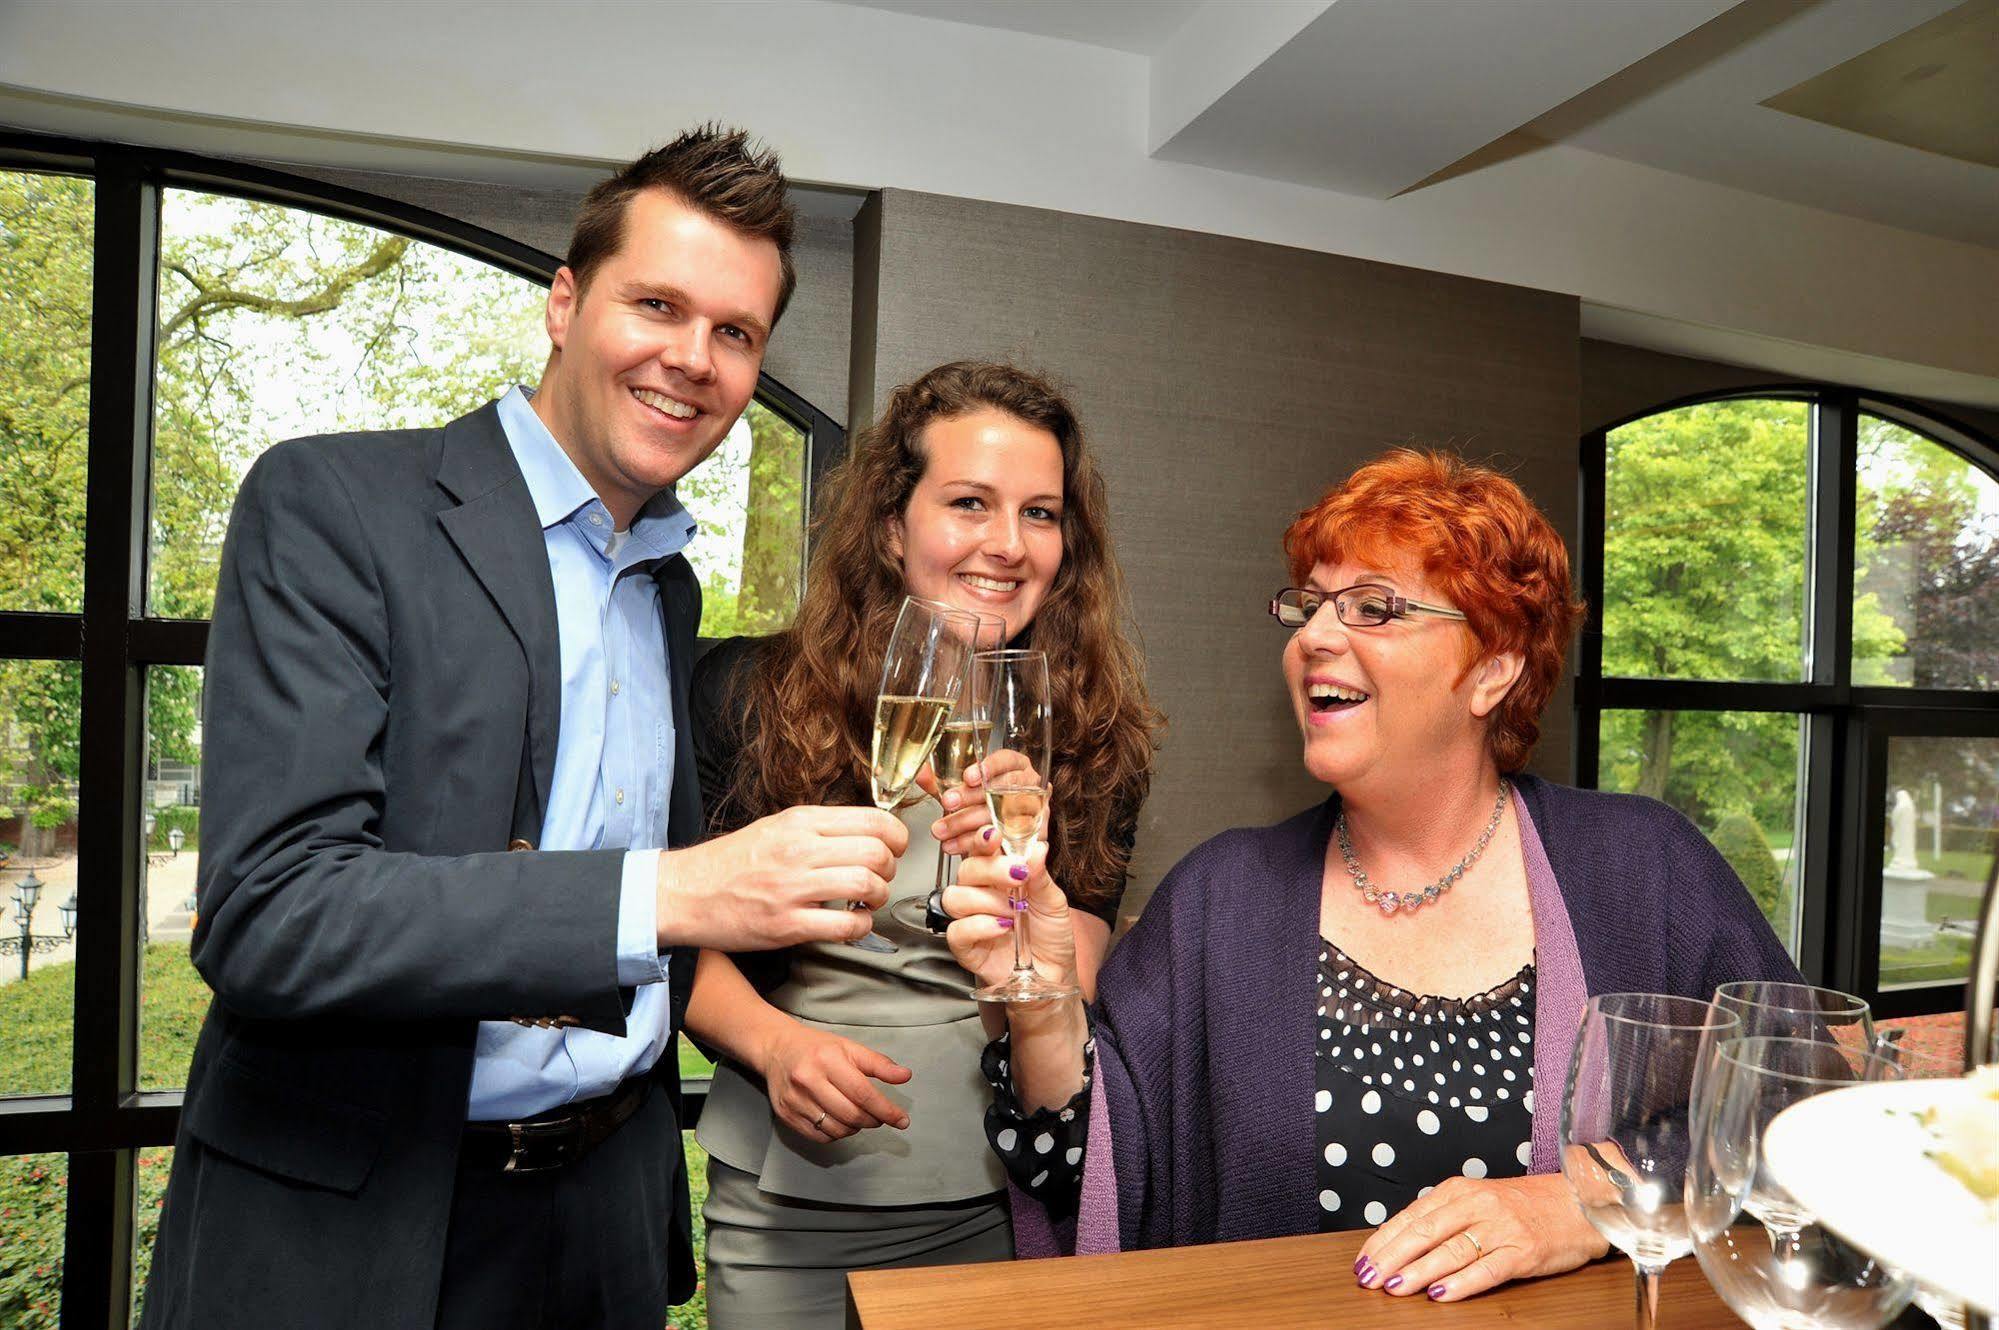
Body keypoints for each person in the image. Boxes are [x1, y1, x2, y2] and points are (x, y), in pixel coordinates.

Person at [140, 127, 912, 1330]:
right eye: (656, 303)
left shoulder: (667, 585)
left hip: (598, 1229)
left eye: (735, 333)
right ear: (563, 301)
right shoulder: (331, 505)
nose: (691, 359)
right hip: (353, 1233)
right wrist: (663, 892)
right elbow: (270, 914)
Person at [947, 448, 1802, 1301]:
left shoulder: (1640, 864)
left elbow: (1807, 1099)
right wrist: (1043, 1001)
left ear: (1493, 668)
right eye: (1312, 606)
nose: (1315, 636)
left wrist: (1589, 1198)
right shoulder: (1219, 898)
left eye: (1373, 609)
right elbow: (1088, 1162)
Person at [683, 360, 1162, 1326]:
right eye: (969, 503)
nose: (1006, 544)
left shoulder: (1098, 742)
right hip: (793, 1203)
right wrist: (774, 1046)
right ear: (893, 527)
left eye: (1040, 512)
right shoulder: (748, 694)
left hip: (1003, 1198)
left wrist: (1022, 895)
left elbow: (1062, 1011)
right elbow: (676, 942)